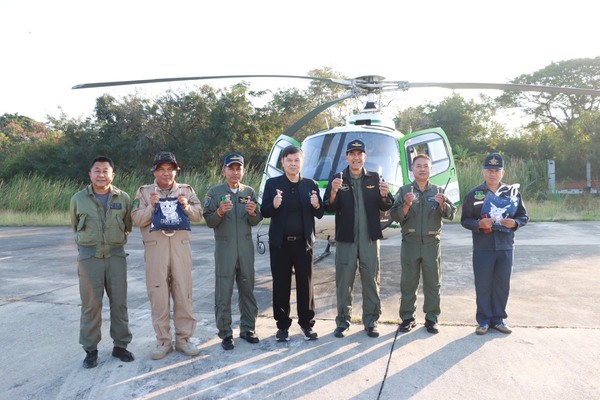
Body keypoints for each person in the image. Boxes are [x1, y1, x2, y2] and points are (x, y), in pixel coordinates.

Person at [131, 151, 203, 359]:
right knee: (159, 296)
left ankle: (184, 340)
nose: (166, 173)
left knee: (183, 294)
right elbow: (136, 218)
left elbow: (198, 215)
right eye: (161, 169)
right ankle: (163, 341)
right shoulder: (144, 192)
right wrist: (151, 207)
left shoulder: (186, 190)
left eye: (170, 169)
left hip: (180, 249)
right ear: (154, 171)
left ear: (176, 171)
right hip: (156, 251)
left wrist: (186, 206)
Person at [323, 139, 394, 338]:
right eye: (352, 154)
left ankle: (371, 321)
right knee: (344, 281)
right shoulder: (337, 178)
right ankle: (343, 322)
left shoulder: (374, 177)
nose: (356, 158)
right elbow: (328, 206)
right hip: (346, 239)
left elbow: (386, 205)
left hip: (369, 239)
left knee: (371, 279)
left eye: (359, 154)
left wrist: (385, 195)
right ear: (346, 157)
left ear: (365, 157)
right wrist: (334, 191)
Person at [69, 156, 134, 368]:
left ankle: (120, 346)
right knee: (90, 306)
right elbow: (75, 225)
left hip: (116, 258)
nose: (101, 174)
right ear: (90, 174)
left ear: (112, 175)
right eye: (97, 170)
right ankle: (91, 350)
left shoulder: (123, 198)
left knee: (120, 304)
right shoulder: (78, 199)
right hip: (89, 259)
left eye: (106, 170)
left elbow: (128, 225)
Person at [261, 145, 324, 341]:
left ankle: (307, 324)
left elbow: (320, 212)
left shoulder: (311, 184)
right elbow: (264, 211)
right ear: (283, 162)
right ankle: (282, 326)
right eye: (289, 160)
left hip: (303, 244)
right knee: (281, 285)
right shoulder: (272, 184)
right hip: (280, 244)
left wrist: (316, 204)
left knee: (306, 285)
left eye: (297, 160)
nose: (293, 164)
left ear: (302, 162)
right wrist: (274, 205)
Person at [461, 153, 528, 335]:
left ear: (502, 173)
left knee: (502, 284)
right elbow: (465, 220)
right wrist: (478, 224)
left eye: (496, 171)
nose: (493, 174)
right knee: (483, 284)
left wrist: (515, 223)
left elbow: (523, 216)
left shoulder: (512, 193)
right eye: (489, 170)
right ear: (483, 172)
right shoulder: (474, 194)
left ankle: (498, 320)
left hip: (505, 246)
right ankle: (483, 321)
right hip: (483, 247)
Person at [390, 154, 456, 334]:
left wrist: (443, 205)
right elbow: (394, 215)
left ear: (431, 169)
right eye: (418, 166)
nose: (422, 169)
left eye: (426, 166)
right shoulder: (404, 191)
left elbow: (451, 214)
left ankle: (432, 318)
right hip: (410, 243)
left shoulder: (438, 191)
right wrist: (406, 204)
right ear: (412, 169)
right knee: (408, 283)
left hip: (431, 244)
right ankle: (407, 318)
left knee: (433, 283)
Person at [203, 153, 263, 350]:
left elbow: (255, 220)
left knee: (248, 289)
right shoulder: (215, 193)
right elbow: (209, 221)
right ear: (224, 170)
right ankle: (226, 333)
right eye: (231, 168)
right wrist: (219, 212)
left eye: (239, 169)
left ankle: (248, 328)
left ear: (243, 171)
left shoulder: (249, 191)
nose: (235, 172)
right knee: (224, 291)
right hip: (225, 248)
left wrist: (253, 213)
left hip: (245, 248)